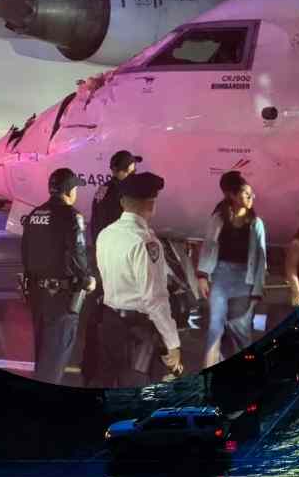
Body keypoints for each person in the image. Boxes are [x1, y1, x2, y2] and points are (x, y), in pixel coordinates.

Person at [95, 171, 182, 386]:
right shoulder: (146, 242)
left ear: (123, 203)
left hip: (109, 323)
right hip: (136, 331)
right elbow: (155, 299)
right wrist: (173, 343)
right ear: (151, 205)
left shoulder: (106, 233)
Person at [19, 168, 96, 385]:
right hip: (60, 296)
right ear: (69, 190)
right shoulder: (70, 215)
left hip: (37, 293)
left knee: (42, 352)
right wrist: (87, 278)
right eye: (75, 189)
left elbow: (24, 250)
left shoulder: (36, 214)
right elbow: (77, 250)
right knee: (54, 358)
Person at [80, 150, 142, 387]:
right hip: (118, 261)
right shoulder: (125, 194)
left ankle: (90, 368)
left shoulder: (102, 189)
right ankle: (114, 373)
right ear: (128, 169)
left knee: (95, 315)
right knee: (118, 317)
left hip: (99, 255)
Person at [195, 170, 268, 366]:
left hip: (245, 279)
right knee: (215, 327)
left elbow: (261, 259)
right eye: (246, 194)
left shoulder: (256, 223)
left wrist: (257, 291)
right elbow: (208, 245)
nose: (251, 197)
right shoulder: (219, 218)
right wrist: (202, 275)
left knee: (241, 329)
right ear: (233, 196)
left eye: (252, 194)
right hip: (220, 275)